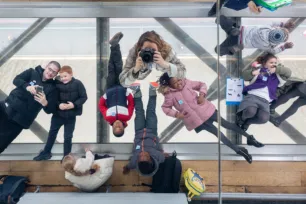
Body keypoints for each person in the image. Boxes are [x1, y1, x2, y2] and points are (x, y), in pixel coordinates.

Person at [159, 73, 264, 164]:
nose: (179, 83)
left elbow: (202, 85)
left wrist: (202, 95)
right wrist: (177, 114)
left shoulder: (187, 83)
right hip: (196, 121)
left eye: (178, 80)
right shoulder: (170, 96)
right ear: (170, 85)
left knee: (228, 125)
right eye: (175, 83)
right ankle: (239, 151)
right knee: (220, 135)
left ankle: (249, 138)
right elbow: (165, 108)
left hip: (208, 111)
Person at [0, 61, 61, 154]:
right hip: (5, 108)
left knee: (1, 144)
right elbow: (16, 80)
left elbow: (50, 110)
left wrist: (45, 102)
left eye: (54, 72)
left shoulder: (53, 89)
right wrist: (27, 87)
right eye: (50, 69)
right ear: (46, 67)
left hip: (19, 121)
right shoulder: (32, 72)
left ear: (56, 74)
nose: (51, 73)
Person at [33, 65, 88, 161]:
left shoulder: (78, 83)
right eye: (61, 77)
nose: (63, 79)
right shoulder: (56, 84)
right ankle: (46, 152)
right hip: (58, 114)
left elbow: (84, 97)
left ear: (71, 74)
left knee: (68, 136)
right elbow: (53, 98)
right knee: (52, 134)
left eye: (65, 76)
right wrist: (59, 105)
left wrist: (73, 105)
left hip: (71, 116)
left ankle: (66, 157)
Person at [237, 53, 292, 131]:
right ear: (265, 63)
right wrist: (253, 73)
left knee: (264, 119)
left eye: (275, 63)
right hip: (253, 96)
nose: (273, 64)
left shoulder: (279, 75)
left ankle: (248, 122)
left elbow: (288, 72)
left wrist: (276, 70)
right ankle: (242, 119)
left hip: (265, 101)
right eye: (271, 62)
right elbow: (244, 76)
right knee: (250, 111)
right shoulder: (259, 70)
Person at [123, 82, 165, 176]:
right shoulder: (157, 157)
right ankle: (152, 90)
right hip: (152, 130)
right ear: (150, 159)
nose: (142, 153)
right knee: (151, 110)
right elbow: (163, 157)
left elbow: (130, 165)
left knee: (139, 111)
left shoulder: (134, 161)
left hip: (139, 131)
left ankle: (136, 90)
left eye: (140, 156)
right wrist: (164, 154)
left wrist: (126, 168)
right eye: (145, 155)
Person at [119, 30, 186, 87]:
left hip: (163, 60)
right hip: (141, 70)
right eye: (146, 49)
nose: (149, 53)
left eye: (153, 50)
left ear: (159, 48)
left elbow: (183, 72)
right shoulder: (135, 52)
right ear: (140, 48)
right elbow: (123, 82)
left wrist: (165, 64)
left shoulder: (167, 51)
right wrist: (135, 69)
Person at [99, 32, 135, 137]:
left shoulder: (108, 118)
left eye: (115, 128)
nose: (117, 125)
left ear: (113, 127)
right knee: (119, 66)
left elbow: (101, 105)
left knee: (111, 68)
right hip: (121, 87)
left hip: (110, 88)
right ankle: (115, 45)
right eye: (120, 127)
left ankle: (114, 45)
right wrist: (127, 93)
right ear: (123, 126)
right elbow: (131, 104)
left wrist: (105, 96)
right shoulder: (127, 116)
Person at [215, 16, 294, 56]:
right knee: (219, 51)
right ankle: (233, 49)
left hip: (240, 31)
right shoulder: (268, 46)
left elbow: (273, 23)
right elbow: (273, 52)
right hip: (239, 42)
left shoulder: (267, 27)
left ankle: (231, 29)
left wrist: (283, 24)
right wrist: (284, 47)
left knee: (222, 19)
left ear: (276, 29)